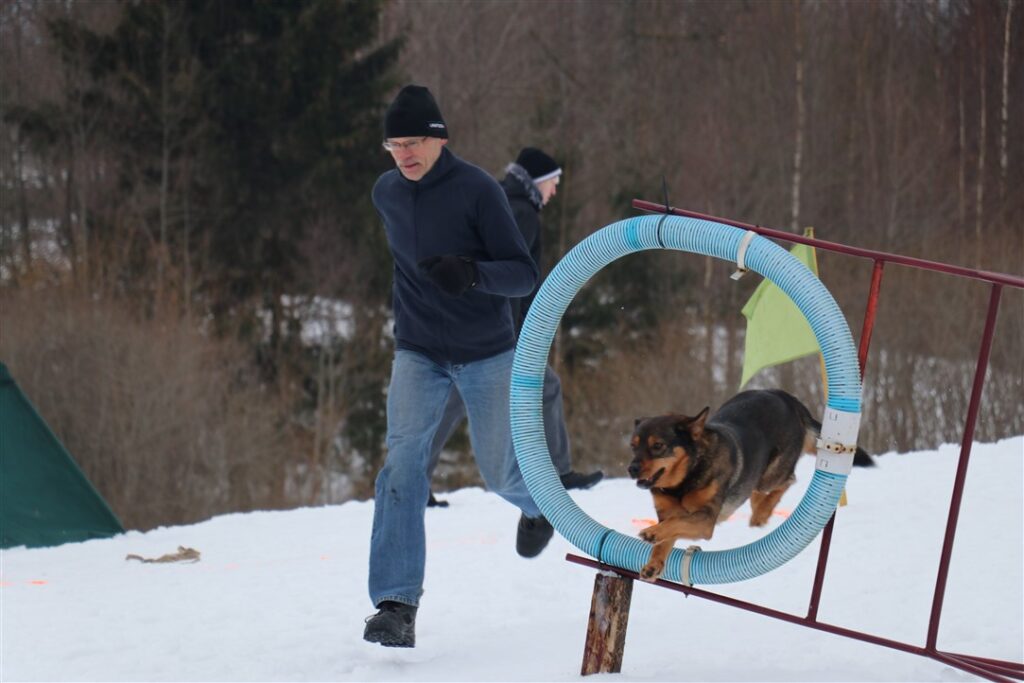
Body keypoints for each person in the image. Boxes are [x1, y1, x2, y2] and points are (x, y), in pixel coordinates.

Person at [363, 85, 555, 649]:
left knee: (498, 473)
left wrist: (472, 274)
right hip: (417, 349)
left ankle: (538, 507)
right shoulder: (386, 193)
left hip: (486, 350)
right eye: (394, 144)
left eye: (415, 141)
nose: (405, 153)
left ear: (439, 138)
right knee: (402, 464)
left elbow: (523, 274)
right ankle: (396, 605)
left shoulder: (479, 191)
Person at [425, 148, 604, 508]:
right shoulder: (521, 213)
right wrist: (517, 334)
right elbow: (510, 274)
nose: (554, 191)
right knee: (545, 386)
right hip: (496, 328)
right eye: (553, 182)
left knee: (454, 400)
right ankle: (558, 472)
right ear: (538, 181)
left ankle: (414, 480)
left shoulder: (500, 201)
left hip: (474, 322)